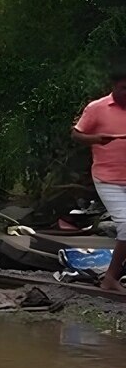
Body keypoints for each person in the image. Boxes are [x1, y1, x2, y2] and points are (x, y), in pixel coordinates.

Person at [73, 69, 126, 294]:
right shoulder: (97, 108)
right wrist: (96, 139)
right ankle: (110, 279)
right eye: (125, 88)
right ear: (114, 86)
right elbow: (76, 134)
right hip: (109, 179)